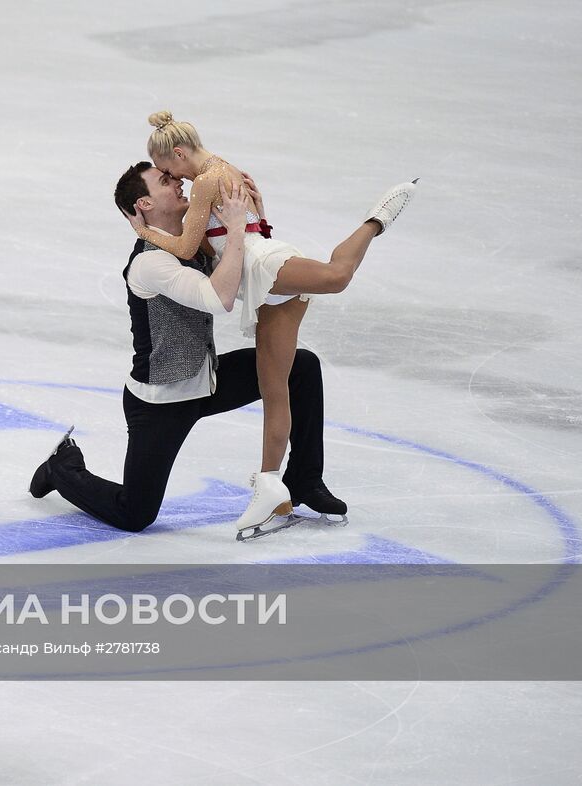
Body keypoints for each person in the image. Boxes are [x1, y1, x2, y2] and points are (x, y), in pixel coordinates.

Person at [123, 111, 416, 537]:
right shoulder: (222, 170)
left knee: (336, 276)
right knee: (275, 387)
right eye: (167, 179)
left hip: (262, 268)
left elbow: (190, 246)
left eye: (170, 171)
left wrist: (147, 234)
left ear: (180, 153)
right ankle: (270, 486)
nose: (177, 181)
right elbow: (228, 234)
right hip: (257, 276)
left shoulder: (207, 179)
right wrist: (253, 216)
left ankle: (376, 220)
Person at [29, 164, 342, 540]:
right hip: (161, 403)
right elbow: (219, 297)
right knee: (135, 514)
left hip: (206, 383)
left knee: (301, 367)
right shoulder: (150, 262)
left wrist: (259, 219)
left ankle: (305, 479)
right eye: (165, 181)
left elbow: (253, 268)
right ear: (143, 203)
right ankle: (62, 466)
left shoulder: (192, 244)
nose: (179, 182)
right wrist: (238, 228)